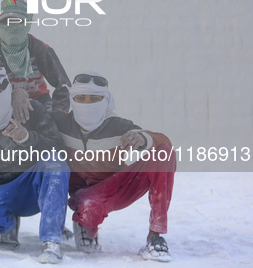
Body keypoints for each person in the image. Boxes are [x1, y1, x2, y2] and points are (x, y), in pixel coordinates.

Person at [50, 71, 176, 262]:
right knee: (87, 206)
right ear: (72, 99)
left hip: (115, 187)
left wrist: (143, 138)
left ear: (106, 100)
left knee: (165, 152)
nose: (87, 104)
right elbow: (33, 119)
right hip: (80, 192)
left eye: (95, 98)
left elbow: (164, 141)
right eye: (81, 98)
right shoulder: (60, 122)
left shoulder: (118, 126)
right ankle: (85, 223)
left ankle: (155, 236)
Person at [0, 61, 70, 264]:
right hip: (0, 187)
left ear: (6, 87)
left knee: (56, 163)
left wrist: (28, 137)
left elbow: (59, 150)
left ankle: (51, 240)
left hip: (33, 184)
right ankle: (9, 227)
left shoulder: (32, 109)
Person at [0, 0, 71, 122]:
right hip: (0, 104)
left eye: (17, 21)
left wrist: (58, 114)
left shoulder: (40, 49)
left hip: (39, 102)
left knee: (51, 131)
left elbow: (64, 85)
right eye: (6, 21)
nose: (12, 27)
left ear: (27, 23)